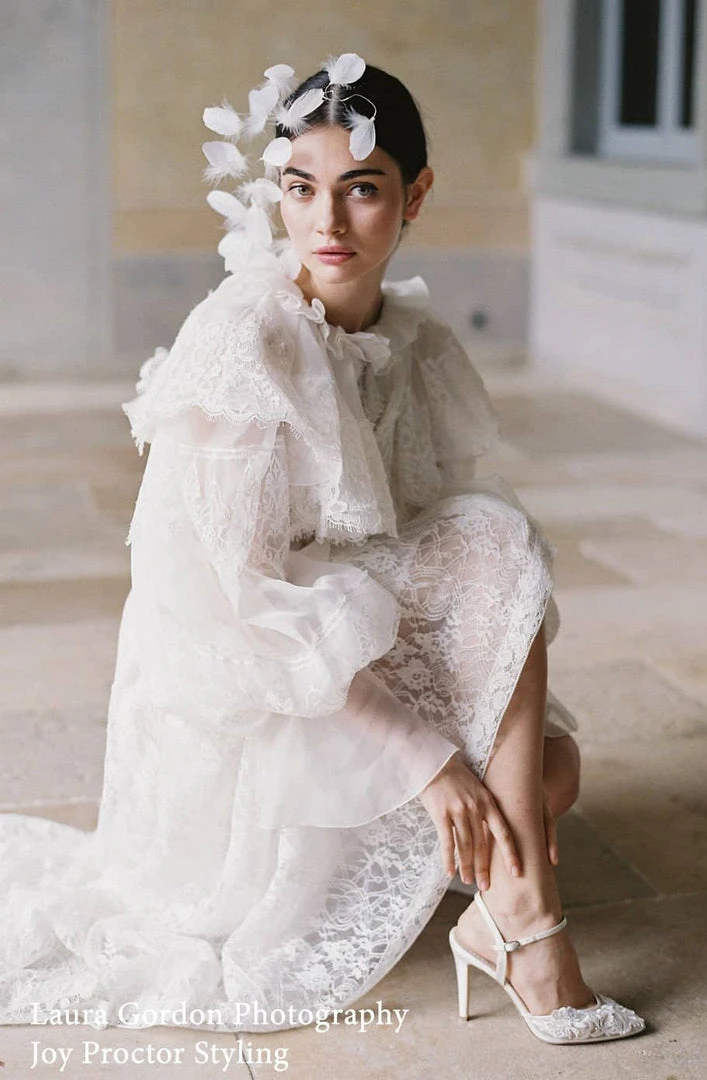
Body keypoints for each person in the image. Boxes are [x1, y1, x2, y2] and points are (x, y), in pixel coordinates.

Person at [0, 54, 645, 1045]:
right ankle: (526, 919)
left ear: (414, 195)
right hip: (243, 693)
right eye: (300, 189)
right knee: (507, 674)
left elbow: (435, 559)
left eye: (363, 189)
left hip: (339, 647)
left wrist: (461, 732)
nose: (327, 223)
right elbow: (227, 613)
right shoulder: (243, 344)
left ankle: (503, 906)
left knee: (549, 763)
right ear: (275, 194)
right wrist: (426, 757)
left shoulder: (416, 344)